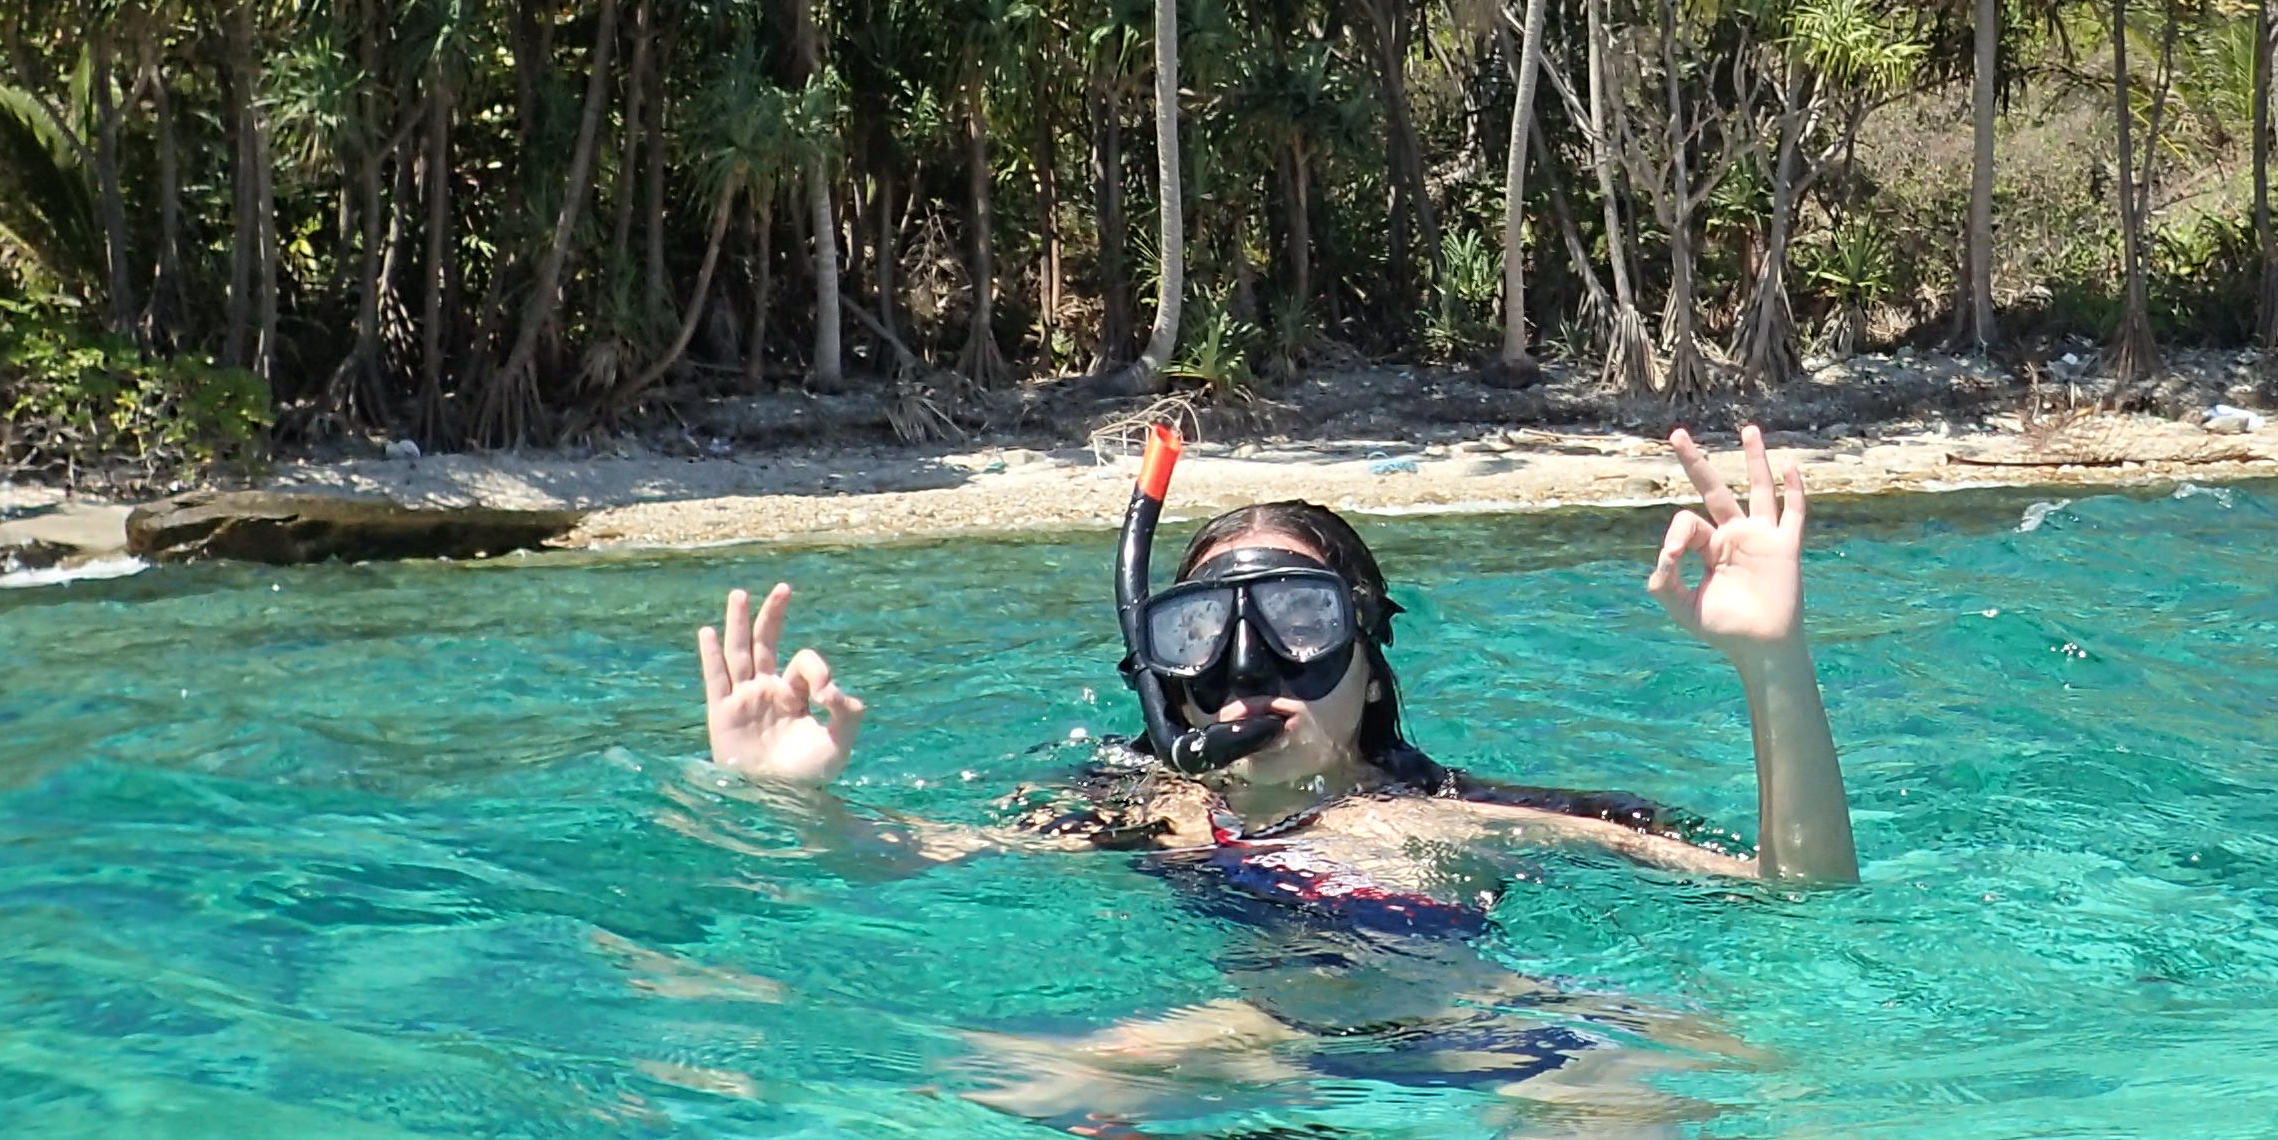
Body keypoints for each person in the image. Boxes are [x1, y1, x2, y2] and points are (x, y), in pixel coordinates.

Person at [695, 420, 1857, 902]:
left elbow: (1797, 893)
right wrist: (784, 803)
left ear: (1370, 657)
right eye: (1201, 631)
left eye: (1298, 623)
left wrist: (1773, 668)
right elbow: (901, 858)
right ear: (1162, 675)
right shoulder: (1142, 825)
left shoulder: (1472, 817)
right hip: (1225, 1061)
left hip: (1495, 1037)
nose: (1251, 668)